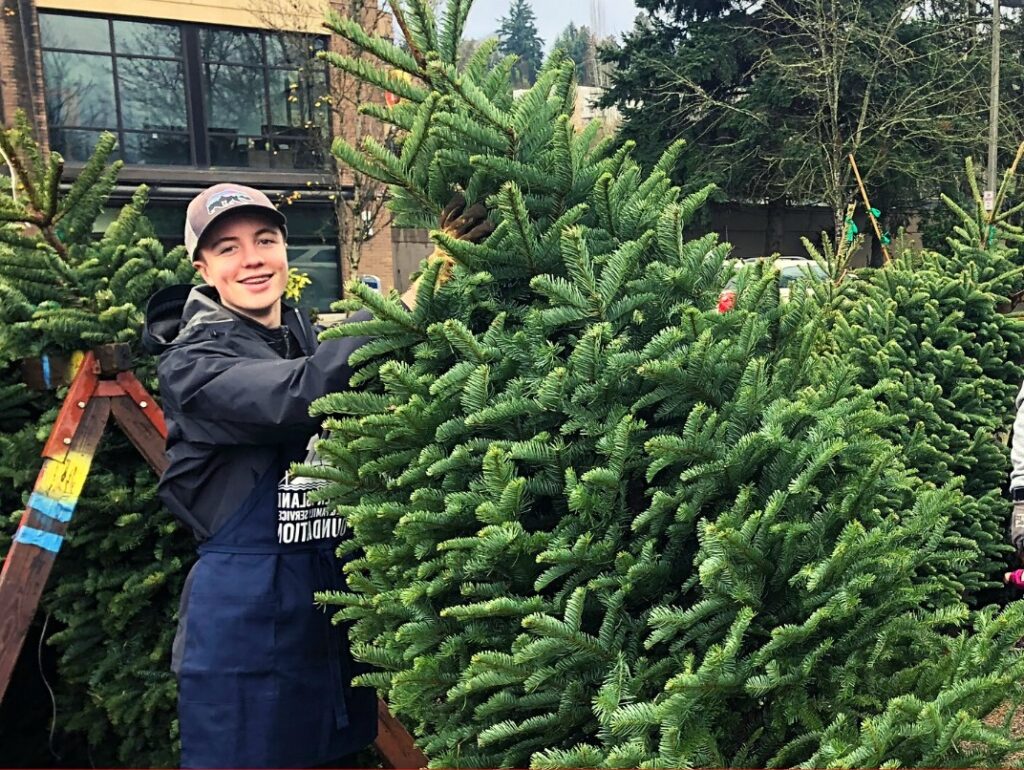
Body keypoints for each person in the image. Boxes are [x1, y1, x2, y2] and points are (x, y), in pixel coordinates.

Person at [142, 183, 488, 768]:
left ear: (285, 251)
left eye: (266, 240)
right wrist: (410, 299)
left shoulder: (307, 336)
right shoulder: (193, 362)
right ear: (202, 267)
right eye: (227, 248)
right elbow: (301, 392)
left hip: (328, 611)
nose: (252, 258)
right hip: (247, 619)